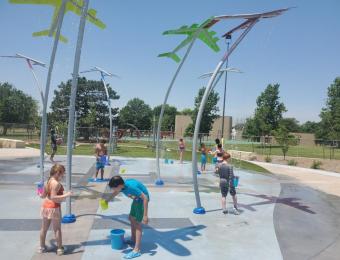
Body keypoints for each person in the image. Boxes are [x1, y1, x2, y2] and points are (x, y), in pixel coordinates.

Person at [107, 176, 149, 259]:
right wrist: (107, 200)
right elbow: (116, 192)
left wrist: (145, 215)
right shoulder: (122, 186)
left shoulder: (130, 187)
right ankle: (133, 240)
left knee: (137, 224)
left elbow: (145, 198)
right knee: (131, 218)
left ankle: (136, 250)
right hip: (136, 199)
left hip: (142, 201)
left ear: (119, 186)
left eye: (114, 188)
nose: (114, 190)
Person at [39, 164, 72, 255]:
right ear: (58, 173)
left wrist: (39, 193)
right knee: (57, 229)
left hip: (45, 206)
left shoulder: (48, 181)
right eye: (62, 174)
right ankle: (60, 249)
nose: (63, 176)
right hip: (54, 207)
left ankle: (42, 247)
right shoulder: (56, 183)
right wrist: (67, 195)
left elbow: (43, 196)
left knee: (44, 228)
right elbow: (54, 197)